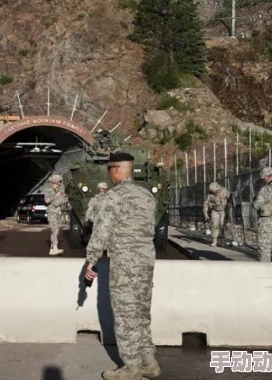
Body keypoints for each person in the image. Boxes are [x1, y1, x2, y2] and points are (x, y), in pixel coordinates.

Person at [85, 152, 160, 380]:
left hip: (125, 262)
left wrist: (92, 258)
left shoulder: (113, 196)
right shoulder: (147, 195)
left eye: (109, 170)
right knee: (141, 313)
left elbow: (102, 230)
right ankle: (149, 362)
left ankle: (132, 367)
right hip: (146, 261)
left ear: (116, 169)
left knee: (125, 315)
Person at [44, 174, 68, 256]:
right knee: (54, 230)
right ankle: (54, 248)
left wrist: (63, 197)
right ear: (55, 181)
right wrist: (55, 195)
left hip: (58, 212)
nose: (60, 183)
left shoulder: (58, 190)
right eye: (59, 181)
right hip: (52, 212)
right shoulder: (48, 190)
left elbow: (64, 199)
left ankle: (53, 248)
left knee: (57, 230)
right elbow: (47, 200)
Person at [202, 182, 230, 247]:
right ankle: (214, 240)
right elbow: (205, 204)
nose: (214, 192)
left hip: (223, 210)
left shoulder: (224, 191)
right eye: (212, 191)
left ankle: (222, 240)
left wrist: (229, 210)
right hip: (215, 210)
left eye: (214, 191)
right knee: (214, 225)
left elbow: (230, 199)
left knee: (222, 225)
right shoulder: (210, 195)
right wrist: (205, 214)